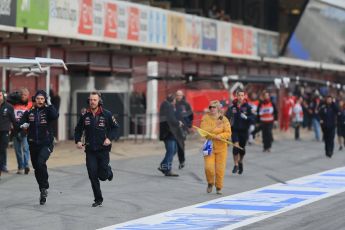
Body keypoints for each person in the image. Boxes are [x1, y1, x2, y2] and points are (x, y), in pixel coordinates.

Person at [74, 91, 118, 207]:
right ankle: (98, 199)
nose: (92, 102)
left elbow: (115, 128)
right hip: (90, 151)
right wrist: (78, 140)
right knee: (92, 175)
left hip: (103, 150)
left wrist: (109, 138)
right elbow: (78, 129)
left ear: (99, 101)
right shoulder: (85, 115)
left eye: (94, 100)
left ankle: (108, 172)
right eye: (91, 100)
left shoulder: (107, 114)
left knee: (102, 176)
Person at [18, 90, 59, 204]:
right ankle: (43, 189)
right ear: (34, 100)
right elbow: (21, 121)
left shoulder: (48, 110)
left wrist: (50, 104)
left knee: (41, 162)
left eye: (42, 99)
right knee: (37, 167)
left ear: (45, 100)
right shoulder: (30, 111)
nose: (40, 101)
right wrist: (23, 125)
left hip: (46, 143)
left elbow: (55, 115)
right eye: (38, 99)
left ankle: (45, 185)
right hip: (33, 143)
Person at [200, 100, 231, 195]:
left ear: (218, 108)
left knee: (220, 169)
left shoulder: (224, 119)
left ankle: (218, 187)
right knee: (208, 167)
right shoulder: (205, 118)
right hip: (208, 145)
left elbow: (228, 132)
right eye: (210, 107)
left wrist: (220, 136)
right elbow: (203, 131)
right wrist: (214, 130)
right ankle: (210, 182)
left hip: (221, 147)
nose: (212, 109)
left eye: (214, 107)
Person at [226, 90, 254, 175]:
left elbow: (254, 118)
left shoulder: (248, 107)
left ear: (244, 96)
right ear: (236, 96)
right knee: (235, 147)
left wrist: (247, 117)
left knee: (242, 149)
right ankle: (236, 164)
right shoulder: (232, 107)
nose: (241, 97)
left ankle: (240, 161)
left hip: (244, 131)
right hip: (234, 130)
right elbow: (225, 117)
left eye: (242, 95)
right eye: (239, 95)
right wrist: (218, 121)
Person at [157, 94, 183, 177]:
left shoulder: (164, 105)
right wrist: (178, 123)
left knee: (173, 150)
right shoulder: (169, 106)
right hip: (169, 132)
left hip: (167, 132)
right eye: (175, 100)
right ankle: (167, 169)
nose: (175, 102)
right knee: (171, 151)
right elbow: (171, 119)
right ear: (172, 100)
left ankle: (163, 166)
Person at [11, 88, 32, 174]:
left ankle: (26, 165)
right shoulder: (14, 104)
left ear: (28, 96)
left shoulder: (30, 105)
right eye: (22, 95)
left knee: (26, 148)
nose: (23, 96)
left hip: (25, 130)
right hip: (15, 130)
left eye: (25, 95)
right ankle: (20, 166)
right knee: (18, 150)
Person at [175, 90, 194, 169]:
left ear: (182, 96)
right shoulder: (173, 104)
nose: (178, 96)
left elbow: (190, 116)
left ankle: (181, 160)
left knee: (180, 145)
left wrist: (189, 126)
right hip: (174, 127)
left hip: (183, 128)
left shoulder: (186, 104)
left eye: (180, 95)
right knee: (173, 145)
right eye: (177, 95)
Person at [0, 90, 16, 179]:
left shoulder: (9, 107)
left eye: (0, 95)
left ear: (3, 96)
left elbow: (13, 119)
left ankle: (3, 165)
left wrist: (17, 128)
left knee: (3, 148)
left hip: (4, 131)